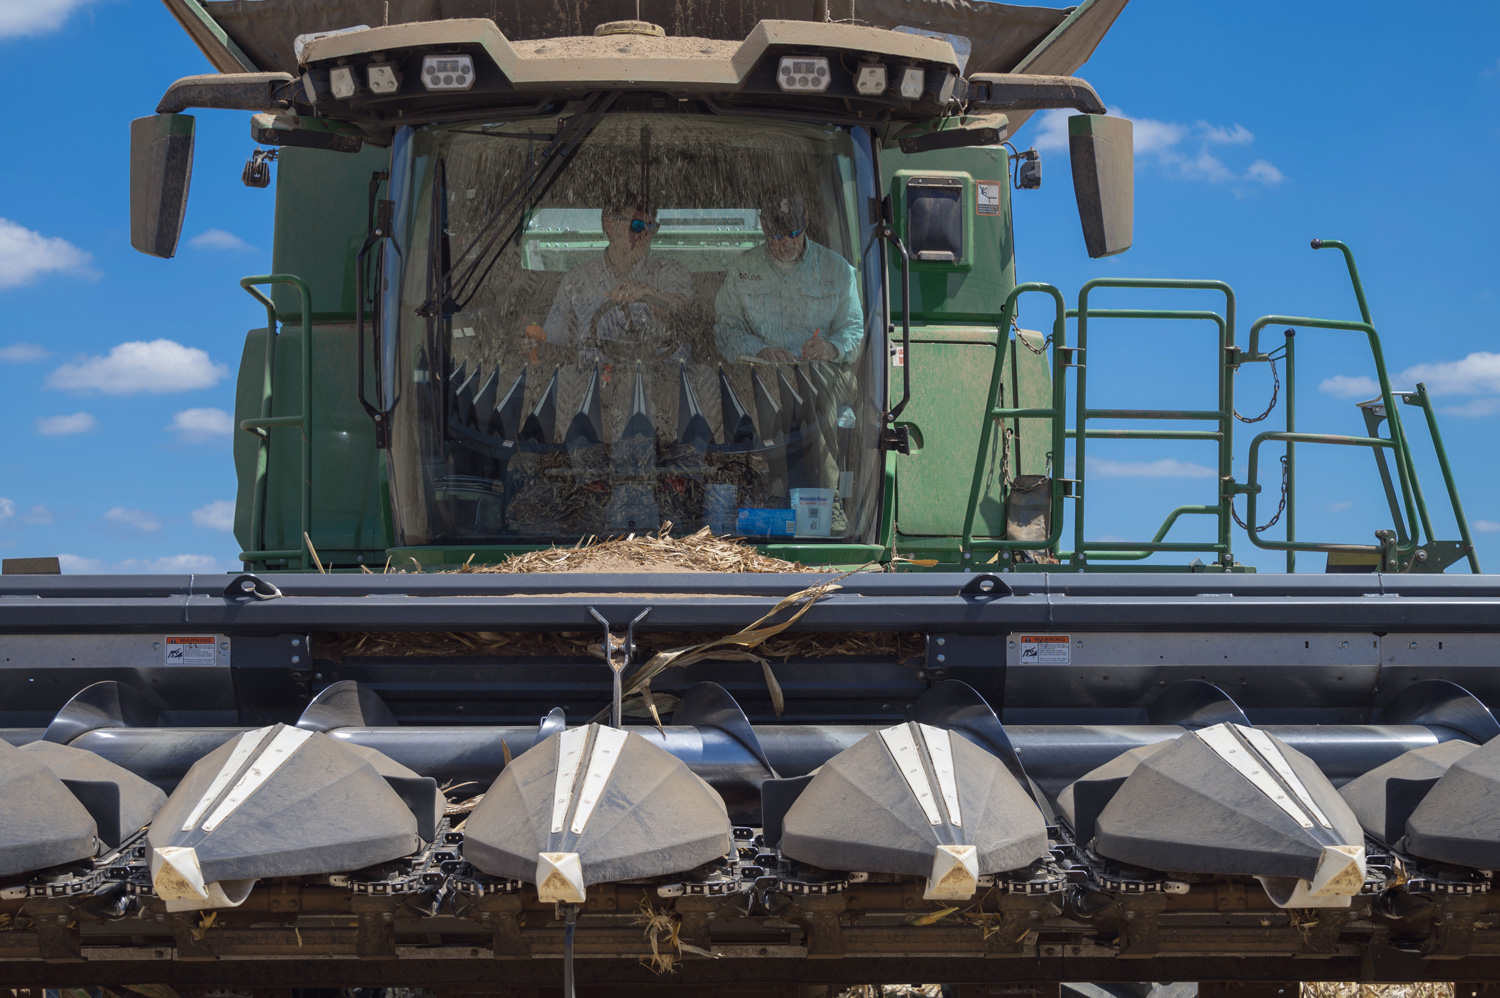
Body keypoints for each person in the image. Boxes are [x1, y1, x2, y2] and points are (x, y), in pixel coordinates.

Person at [530, 194, 690, 362]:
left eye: (651, 226)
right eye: (637, 225)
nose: (646, 234)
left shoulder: (670, 271)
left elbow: (686, 317)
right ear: (610, 226)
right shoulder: (577, 280)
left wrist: (646, 292)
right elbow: (554, 345)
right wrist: (531, 345)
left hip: (667, 382)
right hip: (593, 381)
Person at [713, 193, 863, 365]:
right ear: (763, 224)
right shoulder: (742, 269)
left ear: (806, 220)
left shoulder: (837, 270)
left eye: (794, 233)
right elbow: (725, 329)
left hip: (820, 376)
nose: (786, 243)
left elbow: (853, 330)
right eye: (777, 235)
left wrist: (832, 348)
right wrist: (758, 350)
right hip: (761, 375)